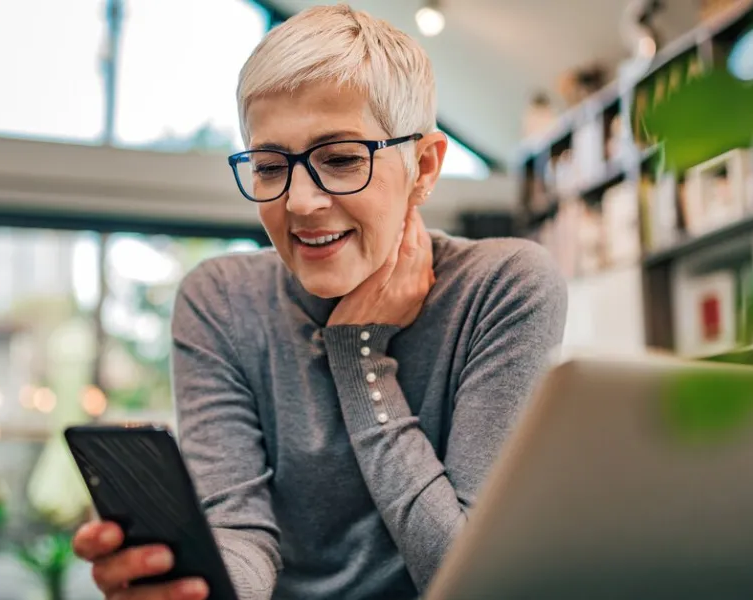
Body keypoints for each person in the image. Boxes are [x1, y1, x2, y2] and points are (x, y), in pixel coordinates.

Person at [72, 5, 567, 599]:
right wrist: (196, 586)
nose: (300, 202)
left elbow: (468, 577)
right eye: (269, 166)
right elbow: (239, 533)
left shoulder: (503, 287)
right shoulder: (221, 301)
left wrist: (360, 357)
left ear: (424, 166)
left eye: (341, 159)